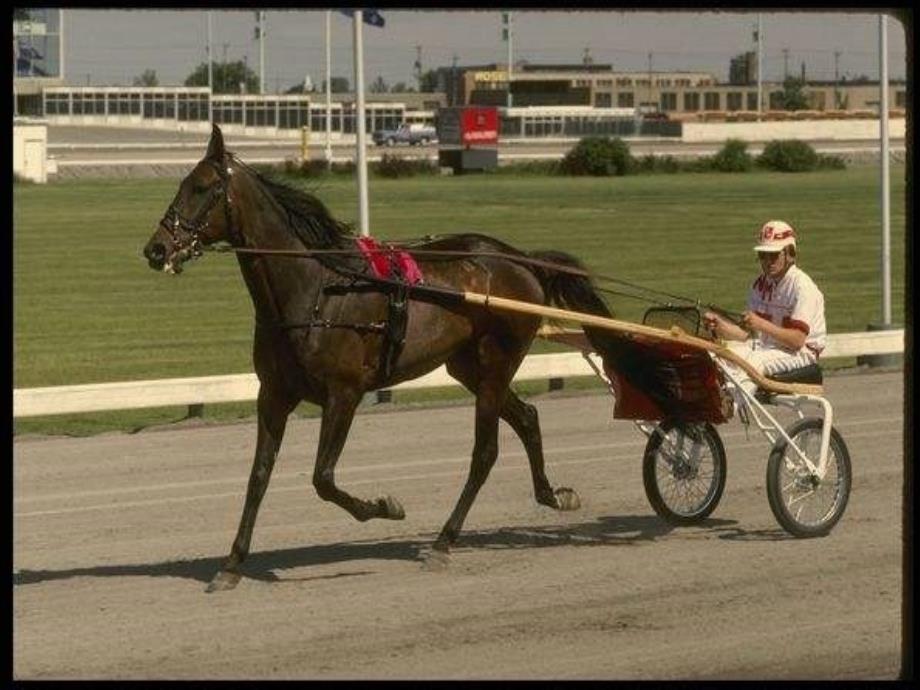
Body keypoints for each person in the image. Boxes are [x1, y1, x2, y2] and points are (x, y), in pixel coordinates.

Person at [703, 220, 826, 393]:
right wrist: (719, 325)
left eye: (774, 255)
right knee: (715, 355)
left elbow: (797, 341)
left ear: (789, 254)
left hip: (800, 354)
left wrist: (760, 324)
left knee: (752, 363)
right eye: (763, 255)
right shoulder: (758, 285)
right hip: (765, 348)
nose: (768, 262)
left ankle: (731, 405)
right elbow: (745, 334)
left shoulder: (802, 287)